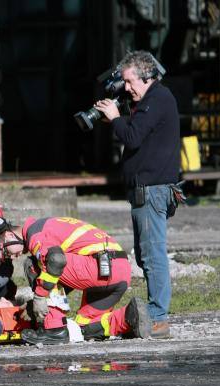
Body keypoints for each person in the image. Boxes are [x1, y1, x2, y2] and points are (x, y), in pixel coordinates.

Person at [93, 50, 180, 339]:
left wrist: (116, 118)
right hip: (145, 190)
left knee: (153, 255)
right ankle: (156, 314)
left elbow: (131, 137)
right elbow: (137, 133)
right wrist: (117, 119)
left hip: (153, 190)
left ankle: (158, 318)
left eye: (130, 82)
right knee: (145, 256)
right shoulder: (148, 102)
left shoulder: (159, 99)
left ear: (147, 77)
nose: (126, 88)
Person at [0, 215, 151, 344]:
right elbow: (62, 279)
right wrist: (37, 302)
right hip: (118, 271)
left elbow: (56, 260)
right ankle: (129, 317)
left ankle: (54, 328)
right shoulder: (46, 226)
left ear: (8, 235)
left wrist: (39, 296)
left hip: (101, 267)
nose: (13, 257)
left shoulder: (35, 233)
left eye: (8, 253)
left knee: (33, 264)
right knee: (84, 328)